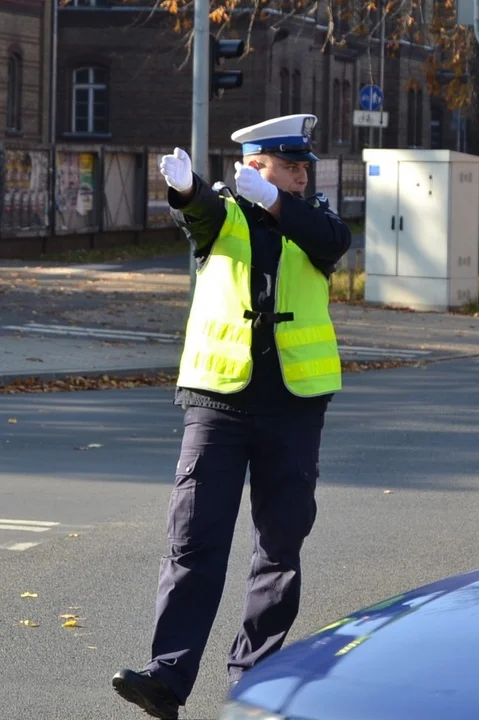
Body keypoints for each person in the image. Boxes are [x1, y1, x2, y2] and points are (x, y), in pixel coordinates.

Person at [112, 113, 351, 719]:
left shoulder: (313, 217)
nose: (300, 175)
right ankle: (167, 679)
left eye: (301, 169)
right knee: (195, 541)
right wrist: (187, 189)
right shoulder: (225, 212)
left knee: (279, 548)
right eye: (287, 168)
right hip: (219, 402)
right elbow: (199, 219)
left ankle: (255, 679)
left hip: (294, 406)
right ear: (253, 166)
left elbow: (331, 244)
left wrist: (277, 202)